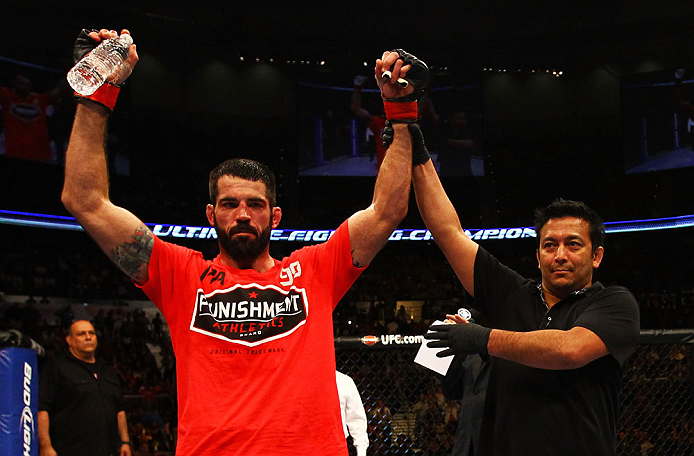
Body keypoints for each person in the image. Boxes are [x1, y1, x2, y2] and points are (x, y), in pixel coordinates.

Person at [60, 28, 429, 456]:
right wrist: (96, 95)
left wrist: (400, 112)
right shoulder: (180, 273)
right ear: (210, 214)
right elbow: (84, 200)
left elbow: (387, 211)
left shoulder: (314, 269)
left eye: (254, 204)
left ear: (274, 216)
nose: (241, 214)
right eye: (229, 203)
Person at [408, 127, 640, 455]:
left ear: (596, 255)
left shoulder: (614, 302)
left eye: (573, 244)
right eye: (550, 245)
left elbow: (568, 350)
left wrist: (481, 338)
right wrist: (418, 154)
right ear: (538, 255)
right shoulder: (511, 294)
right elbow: (447, 231)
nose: (560, 254)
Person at [38, 319, 131, 456]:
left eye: (91, 333)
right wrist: (45, 446)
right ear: (69, 340)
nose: (88, 337)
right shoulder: (56, 367)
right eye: (81, 334)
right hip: (69, 450)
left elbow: (119, 410)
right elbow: (42, 409)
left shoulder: (106, 370)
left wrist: (125, 442)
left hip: (108, 451)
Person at [440, 308, 490, 456]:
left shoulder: (513, 343)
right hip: (467, 443)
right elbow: (451, 391)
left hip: (496, 441)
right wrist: (452, 346)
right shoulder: (471, 354)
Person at [336, 370, 369, 456]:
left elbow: (357, 420)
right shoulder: (299, 379)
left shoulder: (343, 382)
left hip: (337, 446)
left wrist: (361, 452)